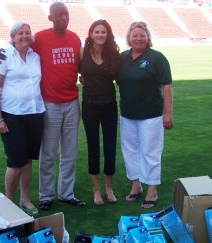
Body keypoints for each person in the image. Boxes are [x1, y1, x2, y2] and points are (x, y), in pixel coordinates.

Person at [0, 2, 85, 210]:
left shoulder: (74, 38)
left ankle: (66, 193)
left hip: (72, 101)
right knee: (48, 153)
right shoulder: (40, 38)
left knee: (70, 151)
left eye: (66, 14)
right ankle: (46, 195)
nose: (64, 18)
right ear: (50, 18)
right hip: (49, 104)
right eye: (59, 15)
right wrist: (1, 50)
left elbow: (80, 65)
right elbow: (18, 45)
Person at [0, 21, 45, 216]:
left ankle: (25, 198)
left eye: (27, 32)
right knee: (15, 161)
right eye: (20, 33)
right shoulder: (4, 56)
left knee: (28, 159)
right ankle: (8, 200)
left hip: (35, 113)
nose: (24, 36)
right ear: (12, 36)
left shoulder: (35, 56)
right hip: (12, 115)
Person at [116, 21, 173, 209]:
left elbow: (166, 87)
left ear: (148, 37)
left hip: (151, 115)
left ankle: (152, 189)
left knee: (150, 151)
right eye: (135, 35)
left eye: (142, 35)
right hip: (127, 114)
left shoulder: (157, 58)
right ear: (129, 38)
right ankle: (136, 185)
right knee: (130, 151)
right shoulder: (122, 57)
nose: (138, 38)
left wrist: (168, 113)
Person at [79, 20, 122, 205]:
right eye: (96, 31)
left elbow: (122, 78)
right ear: (91, 33)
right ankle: (96, 190)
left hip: (109, 105)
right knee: (93, 148)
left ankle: (109, 189)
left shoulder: (114, 54)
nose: (100, 35)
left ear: (108, 34)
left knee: (110, 148)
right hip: (89, 104)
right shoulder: (82, 52)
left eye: (103, 32)